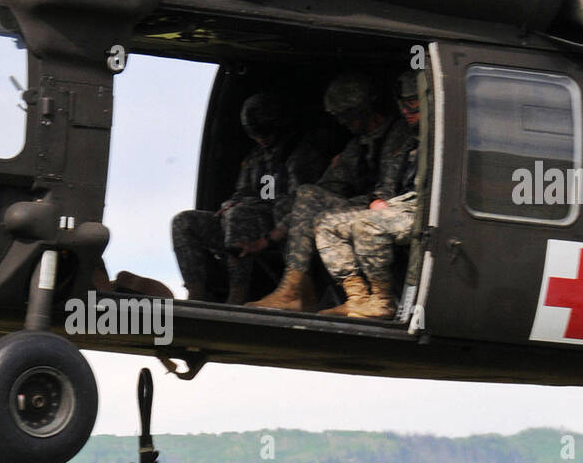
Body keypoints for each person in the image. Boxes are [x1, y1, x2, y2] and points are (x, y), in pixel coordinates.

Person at [246, 72, 407, 311]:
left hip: (392, 209)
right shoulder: (359, 145)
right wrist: (269, 238)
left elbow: (387, 193)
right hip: (368, 206)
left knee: (314, 203)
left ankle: (293, 290)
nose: (343, 122)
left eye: (346, 115)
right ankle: (305, 289)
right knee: (290, 203)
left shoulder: (398, 135)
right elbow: (326, 188)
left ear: (360, 110)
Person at [171, 90, 302, 305]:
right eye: (255, 134)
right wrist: (229, 205)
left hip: (280, 226)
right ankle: (197, 292)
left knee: (239, 215)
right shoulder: (256, 158)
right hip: (245, 219)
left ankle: (237, 294)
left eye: (264, 132)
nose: (261, 138)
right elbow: (242, 192)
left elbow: (299, 201)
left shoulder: (298, 154)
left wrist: (244, 208)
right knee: (184, 222)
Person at [315, 72, 422, 319]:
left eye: (413, 104)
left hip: (424, 210)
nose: (406, 110)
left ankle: (383, 301)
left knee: (367, 225)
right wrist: (379, 201)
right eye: (402, 104)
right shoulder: (409, 139)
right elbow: (389, 179)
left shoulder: (439, 137)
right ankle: (358, 298)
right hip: (400, 206)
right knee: (326, 223)